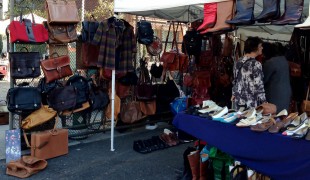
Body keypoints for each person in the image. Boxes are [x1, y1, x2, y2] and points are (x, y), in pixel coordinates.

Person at [231, 36, 266, 109]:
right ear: (254, 48)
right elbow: (259, 85)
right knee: (249, 120)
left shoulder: (238, 62)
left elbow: (235, 80)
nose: (262, 48)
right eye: (260, 46)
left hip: (239, 99)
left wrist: (234, 93)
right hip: (250, 101)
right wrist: (264, 101)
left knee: (239, 120)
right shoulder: (256, 64)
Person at [262, 42, 291, 113]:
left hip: (274, 94)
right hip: (285, 92)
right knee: (282, 115)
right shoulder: (283, 60)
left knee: (273, 116)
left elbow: (263, 79)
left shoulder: (270, 63)